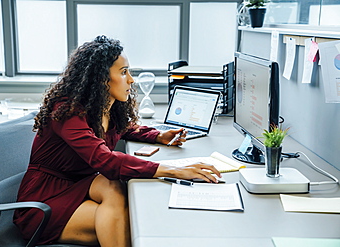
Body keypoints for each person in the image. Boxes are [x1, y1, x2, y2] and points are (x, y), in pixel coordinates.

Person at [13, 35, 221, 247]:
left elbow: (124, 129)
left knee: (113, 189)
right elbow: (106, 161)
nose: (131, 79)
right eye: (123, 73)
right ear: (101, 78)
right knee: (129, 223)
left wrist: (158, 135)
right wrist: (173, 170)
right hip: (44, 200)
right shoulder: (68, 111)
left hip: (77, 185)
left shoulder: (105, 108)